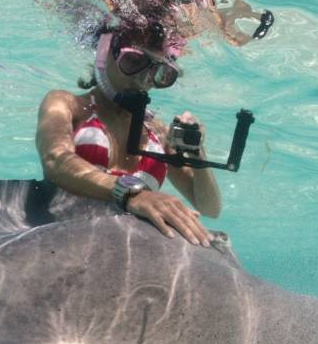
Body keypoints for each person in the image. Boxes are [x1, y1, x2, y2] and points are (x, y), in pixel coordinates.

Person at [35, 24, 221, 246]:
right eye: (133, 62)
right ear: (104, 53)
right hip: (61, 243)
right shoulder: (67, 103)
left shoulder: (157, 131)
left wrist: (198, 153)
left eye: (157, 72)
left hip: (125, 253)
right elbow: (55, 161)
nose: (143, 80)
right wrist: (133, 194)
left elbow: (209, 208)